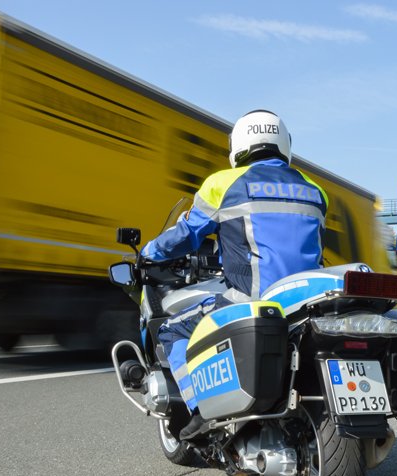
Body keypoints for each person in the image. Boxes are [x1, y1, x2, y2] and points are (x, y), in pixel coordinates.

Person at [140, 110, 329, 439]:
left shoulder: (223, 184)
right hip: (305, 299)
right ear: (283, 143)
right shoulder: (316, 190)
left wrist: (149, 253)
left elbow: (186, 235)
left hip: (250, 299)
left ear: (239, 144)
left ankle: (198, 411)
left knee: (171, 329)